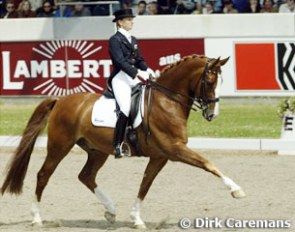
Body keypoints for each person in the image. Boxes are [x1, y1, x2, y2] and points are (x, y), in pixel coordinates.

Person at [108, 9, 155, 158]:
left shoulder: (133, 39)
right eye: (128, 19)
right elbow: (120, 61)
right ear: (120, 22)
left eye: (131, 19)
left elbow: (139, 59)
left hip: (133, 76)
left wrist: (147, 69)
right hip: (120, 78)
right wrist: (137, 74)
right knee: (126, 108)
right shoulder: (114, 40)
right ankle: (118, 144)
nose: (132, 22)